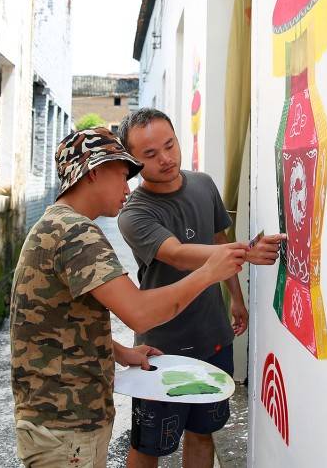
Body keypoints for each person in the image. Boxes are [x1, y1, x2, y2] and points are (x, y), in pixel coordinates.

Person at [10, 127, 248, 468]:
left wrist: (120, 352)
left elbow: (56, 322)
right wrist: (209, 271)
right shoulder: (76, 233)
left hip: (58, 417)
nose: (128, 187)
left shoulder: (57, 224)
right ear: (93, 173)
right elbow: (138, 312)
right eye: (123, 175)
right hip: (66, 422)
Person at [116, 109, 286, 468]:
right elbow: (178, 255)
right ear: (132, 162)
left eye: (170, 145)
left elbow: (218, 238)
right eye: (150, 154)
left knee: (202, 433)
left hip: (213, 338)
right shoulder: (133, 214)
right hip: (161, 349)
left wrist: (236, 299)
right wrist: (246, 252)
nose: (166, 158)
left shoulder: (204, 184)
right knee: (148, 445)